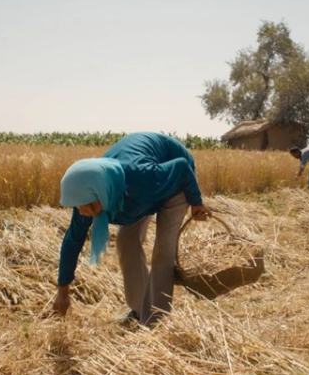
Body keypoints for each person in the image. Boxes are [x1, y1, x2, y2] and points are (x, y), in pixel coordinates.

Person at [52, 132, 211, 327]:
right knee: (126, 242)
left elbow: (181, 167)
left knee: (163, 251)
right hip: (135, 196)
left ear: (100, 191)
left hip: (174, 183)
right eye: (78, 206)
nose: (84, 212)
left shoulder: (142, 177)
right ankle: (139, 310)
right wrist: (62, 292)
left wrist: (196, 203)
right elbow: (72, 241)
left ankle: (156, 320)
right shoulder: (89, 197)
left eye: (87, 205)